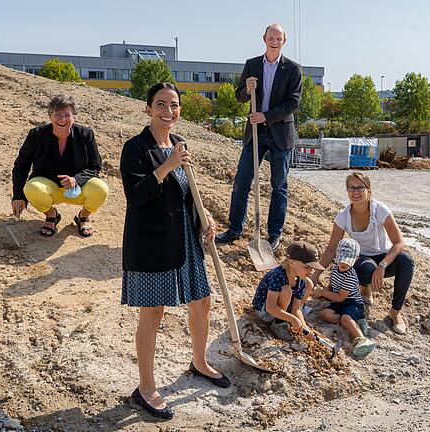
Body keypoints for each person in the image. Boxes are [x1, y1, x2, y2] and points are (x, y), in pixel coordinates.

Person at [120, 83, 226, 420]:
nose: (169, 111)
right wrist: (167, 166)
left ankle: (198, 362)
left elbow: (187, 193)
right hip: (152, 242)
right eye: (161, 104)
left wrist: (204, 217)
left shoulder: (181, 145)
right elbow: (136, 195)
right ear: (148, 108)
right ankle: (146, 389)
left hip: (185, 239)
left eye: (174, 105)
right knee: (152, 314)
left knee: (202, 302)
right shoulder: (135, 147)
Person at [215, 24, 303, 251]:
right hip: (255, 133)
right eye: (271, 37)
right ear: (264, 39)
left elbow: (293, 103)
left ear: (285, 40)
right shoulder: (252, 65)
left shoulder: (293, 69)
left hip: (281, 133)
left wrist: (266, 115)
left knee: (279, 186)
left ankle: (274, 235)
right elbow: (239, 97)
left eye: (279, 38)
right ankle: (235, 229)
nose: (274, 41)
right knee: (242, 181)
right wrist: (246, 89)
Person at [312, 172, 414, 335]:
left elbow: (399, 243)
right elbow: (331, 249)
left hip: (384, 256)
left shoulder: (380, 210)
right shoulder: (343, 215)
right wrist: (314, 277)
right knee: (364, 268)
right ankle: (364, 288)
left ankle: (395, 313)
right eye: (351, 188)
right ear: (347, 191)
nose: (356, 192)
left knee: (407, 261)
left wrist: (383, 265)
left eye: (360, 187)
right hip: (361, 259)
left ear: (369, 190)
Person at [11, 94, 108, 237]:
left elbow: (95, 166)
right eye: (57, 114)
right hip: (49, 187)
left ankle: (83, 216)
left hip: (78, 188)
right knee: (31, 188)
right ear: (50, 115)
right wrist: (18, 195)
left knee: (101, 189)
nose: (62, 119)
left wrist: (76, 180)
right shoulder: (36, 134)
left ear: (73, 116)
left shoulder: (86, 134)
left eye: (67, 115)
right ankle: (52, 216)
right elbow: (21, 165)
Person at [311, 238, 376, 358]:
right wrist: (321, 293)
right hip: (339, 301)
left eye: (348, 261)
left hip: (353, 303)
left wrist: (322, 293)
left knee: (346, 318)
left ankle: (361, 338)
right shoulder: (335, 269)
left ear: (356, 259)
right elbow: (331, 287)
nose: (344, 264)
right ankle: (354, 322)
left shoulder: (350, 277)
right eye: (341, 260)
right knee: (325, 314)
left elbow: (340, 297)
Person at [251, 241, 322, 340]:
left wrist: (304, 327)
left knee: (309, 283)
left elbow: (296, 309)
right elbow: (270, 307)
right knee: (286, 290)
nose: (311, 271)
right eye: (307, 267)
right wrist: (292, 319)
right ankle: (279, 322)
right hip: (265, 311)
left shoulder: (300, 280)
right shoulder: (277, 275)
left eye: (312, 268)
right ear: (292, 262)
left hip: (281, 307)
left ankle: (284, 317)